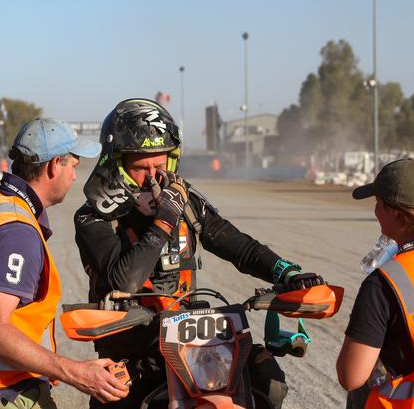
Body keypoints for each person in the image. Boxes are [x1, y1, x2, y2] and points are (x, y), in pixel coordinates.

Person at [74, 98, 325, 409]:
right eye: (141, 167)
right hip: (133, 357)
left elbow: (239, 245)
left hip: (194, 347)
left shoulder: (185, 200)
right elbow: (125, 278)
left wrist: (286, 272)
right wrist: (165, 219)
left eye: (160, 165)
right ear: (116, 163)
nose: (153, 178)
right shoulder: (94, 217)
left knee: (268, 382)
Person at [0, 118, 130, 409]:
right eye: (73, 165)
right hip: (0, 392)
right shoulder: (16, 231)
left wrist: (44, 364)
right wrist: (74, 371)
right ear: (53, 166)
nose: (75, 176)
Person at [336, 158, 414, 408]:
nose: (375, 211)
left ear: (397, 215)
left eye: (379, 203)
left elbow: (351, 376)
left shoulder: (383, 283)